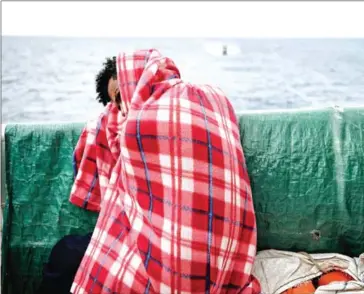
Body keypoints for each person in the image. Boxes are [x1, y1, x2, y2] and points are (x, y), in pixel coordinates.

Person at [41, 49, 261, 294]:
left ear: (137, 77)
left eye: (120, 95)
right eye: (115, 103)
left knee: (64, 254)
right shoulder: (214, 97)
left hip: (173, 255)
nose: (122, 107)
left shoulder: (139, 122)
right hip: (223, 257)